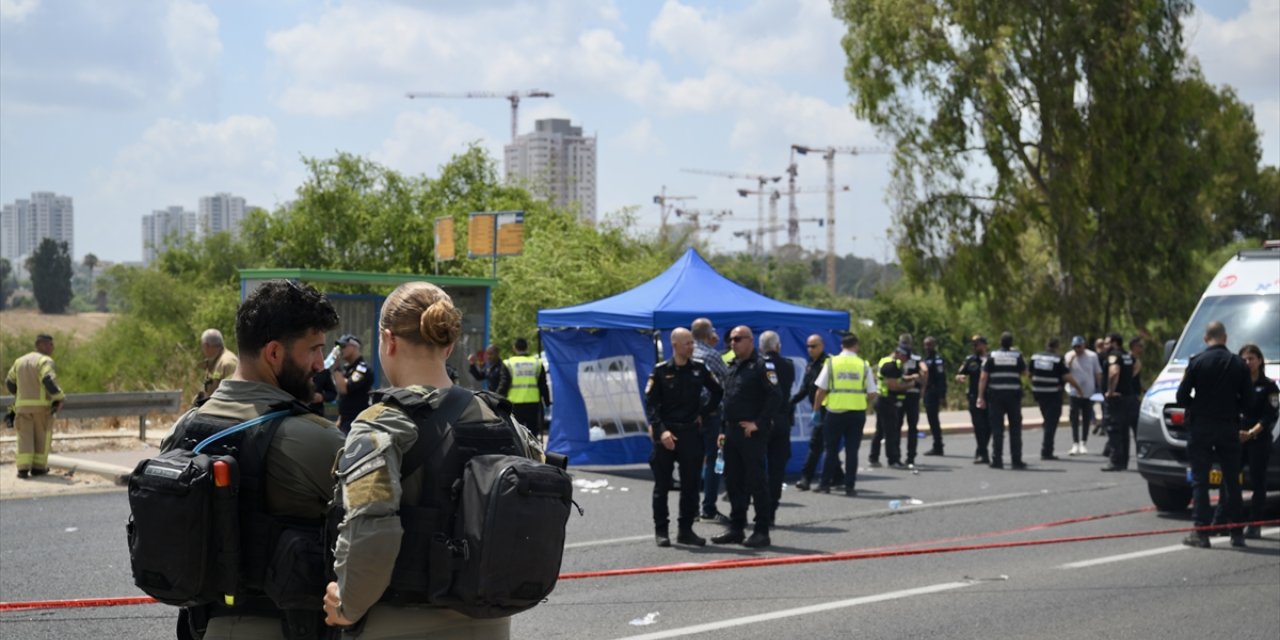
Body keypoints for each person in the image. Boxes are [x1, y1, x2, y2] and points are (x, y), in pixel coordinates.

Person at [323, 281, 517, 638]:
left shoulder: (380, 423)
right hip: (491, 624)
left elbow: (372, 532)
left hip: (401, 624)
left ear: (388, 340)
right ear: (451, 344)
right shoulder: (502, 418)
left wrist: (347, 605)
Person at [162, 280, 343, 639]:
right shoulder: (316, 439)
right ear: (274, 354)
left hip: (204, 627)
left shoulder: (183, 430)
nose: (321, 364)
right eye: (314, 350)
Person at [1176, 321, 1253, 548]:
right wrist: (1232, 408)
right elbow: (1249, 402)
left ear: (1205, 338)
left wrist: (1197, 407)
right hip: (1229, 427)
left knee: (1200, 481)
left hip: (1201, 427)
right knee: (1232, 480)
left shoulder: (1196, 362)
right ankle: (1237, 532)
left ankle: (1201, 532)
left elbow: (1181, 397)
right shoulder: (1239, 364)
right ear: (1225, 337)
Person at [644, 328, 723, 547]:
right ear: (675, 345)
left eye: (692, 343)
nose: (691, 347)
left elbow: (718, 392)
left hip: (690, 432)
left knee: (690, 485)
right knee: (662, 486)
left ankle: (685, 530)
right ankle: (661, 531)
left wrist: (703, 413)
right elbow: (651, 406)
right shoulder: (660, 372)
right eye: (687, 343)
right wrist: (661, 431)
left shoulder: (699, 369)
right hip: (667, 433)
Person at [711, 326, 782, 548]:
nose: (733, 343)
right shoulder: (732, 366)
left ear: (750, 341)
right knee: (734, 482)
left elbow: (775, 396)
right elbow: (727, 400)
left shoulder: (762, 365)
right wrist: (722, 430)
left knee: (756, 481)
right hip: (731, 431)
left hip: (750, 433)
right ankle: (736, 527)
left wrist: (758, 423)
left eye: (738, 339)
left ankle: (761, 530)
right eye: (731, 339)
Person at [812, 333, 877, 495]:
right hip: (856, 414)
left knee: (831, 449)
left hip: (835, 412)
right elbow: (872, 393)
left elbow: (820, 390)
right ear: (856, 346)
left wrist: (816, 411)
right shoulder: (863, 365)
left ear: (842, 346)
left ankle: (824, 484)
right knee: (852, 451)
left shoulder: (832, 363)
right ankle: (850, 486)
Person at [1231, 344, 1278, 539]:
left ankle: (1255, 523)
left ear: (1259, 360)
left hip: (1258, 439)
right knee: (1232, 480)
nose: (1248, 362)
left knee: (1258, 482)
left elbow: (1270, 416)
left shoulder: (1269, 386)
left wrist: (1250, 433)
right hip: (1237, 438)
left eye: (1251, 358)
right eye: (1244, 359)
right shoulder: (1235, 384)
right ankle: (1232, 522)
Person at [5, 334, 64, 478]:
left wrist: (20, 396)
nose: (52, 347)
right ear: (41, 345)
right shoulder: (45, 361)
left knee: (24, 438)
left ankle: (23, 469)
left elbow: (9, 382)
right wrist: (59, 397)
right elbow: (48, 380)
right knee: (41, 438)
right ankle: (38, 468)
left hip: (22, 408)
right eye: (50, 344)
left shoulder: (19, 361)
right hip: (41, 408)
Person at [691, 317, 730, 523]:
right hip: (713, 416)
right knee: (716, 460)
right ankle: (709, 506)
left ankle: (691, 508)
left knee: (692, 462)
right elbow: (726, 381)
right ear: (709, 335)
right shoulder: (712, 355)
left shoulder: (687, 353)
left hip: (690, 417)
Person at [792, 334, 840, 491]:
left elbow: (824, 389)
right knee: (827, 444)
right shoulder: (810, 364)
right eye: (808, 346)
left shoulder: (828, 363)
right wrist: (790, 403)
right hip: (818, 409)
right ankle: (839, 476)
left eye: (814, 346)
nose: (810, 349)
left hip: (827, 409)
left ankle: (806, 478)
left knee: (816, 444)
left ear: (822, 346)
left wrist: (817, 410)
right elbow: (806, 388)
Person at [978, 331, 1028, 469]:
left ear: (1000, 342)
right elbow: (1025, 373)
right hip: (1013, 396)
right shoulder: (1017, 356)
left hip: (996, 396)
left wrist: (980, 396)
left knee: (997, 430)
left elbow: (983, 378)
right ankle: (1016, 460)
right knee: (1015, 429)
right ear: (1011, 343)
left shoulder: (992, 356)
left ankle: (997, 460)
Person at [758, 331, 795, 521]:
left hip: (761, 421)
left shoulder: (758, 365)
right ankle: (771, 509)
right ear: (778, 346)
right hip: (781, 419)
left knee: (757, 466)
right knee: (777, 468)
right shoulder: (788, 365)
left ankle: (760, 509)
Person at [1029, 338, 1082, 460]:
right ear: (1056, 347)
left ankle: (1047, 446)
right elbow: (1067, 376)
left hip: (1038, 393)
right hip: (1052, 394)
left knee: (1047, 419)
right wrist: (1078, 388)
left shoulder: (1035, 357)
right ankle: (1046, 451)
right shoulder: (1057, 359)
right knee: (1051, 422)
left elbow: (1030, 373)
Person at [1100, 333, 1140, 472]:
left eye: (1107, 343)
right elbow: (1137, 366)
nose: (1105, 346)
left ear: (1114, 343)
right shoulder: (1127, 356)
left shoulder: (1114, 356)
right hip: (1129, 397)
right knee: (1124, 431)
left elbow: (1114, 371)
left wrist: (1111, 390)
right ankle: (1123, 461)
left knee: (1114, 430)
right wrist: (1127, 379)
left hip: (1116, 399)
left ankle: (1116, 461)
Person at [870, 344, 914, 469]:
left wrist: (908, 378)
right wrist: (910, 385)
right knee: (891, 431)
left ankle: (873, 457)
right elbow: (893, 385)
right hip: (886, 400)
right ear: (899, 354)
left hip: (881, 399)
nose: (905, 361)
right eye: (905, 358)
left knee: (880, 430)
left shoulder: (886, 361)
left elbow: (895, 378)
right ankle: (893, 460)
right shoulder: (891, 365)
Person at [505, 337, 551, 438]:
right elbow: (543, 385)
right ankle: (533, 453)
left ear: (514, 348)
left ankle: (519, 453)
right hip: (533, 403)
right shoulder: (537, 363)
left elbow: (504, 385)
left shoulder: (509, 363)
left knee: (516, 433)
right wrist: (547, 402)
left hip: (514, 404)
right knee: (532, 433)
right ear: (527, 347)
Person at [1064, 335, 1102, 455]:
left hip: (1088, 391)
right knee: (1074, 418)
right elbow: (1065, 371)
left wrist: (1099, 387)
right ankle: (1075, 443)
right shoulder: (1069, 355)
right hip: (1074, 391)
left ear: (1084, 345)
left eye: (1079, 347)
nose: (1077, 349)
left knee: (1087, 417)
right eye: (1075, 347)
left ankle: (1083, 442)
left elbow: (1097, 372)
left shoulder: (1092, 356)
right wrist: (1071, 360)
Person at [956, 335, 990, 464]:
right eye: (973, 344)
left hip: (990, 396)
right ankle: (983, 453)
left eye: (977, 344)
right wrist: (960, 378)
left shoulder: (992, 359)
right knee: (978, 425)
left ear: (984, 345)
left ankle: (981, 449)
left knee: (989, 426)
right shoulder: (970, 360)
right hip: (974, 396)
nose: (975, 347)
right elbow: (960, 373)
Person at [895, 333, 928, 466]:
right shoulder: (917, 357)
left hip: (899, 392)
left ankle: (896, 457)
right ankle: (911, 457)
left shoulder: (896, 356)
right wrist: (922, 388)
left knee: (897, 426)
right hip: (913, 394)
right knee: (912, 427)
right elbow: (925, 371)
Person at [331, 334, 373, 434]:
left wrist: (336, 366)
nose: (341, 350)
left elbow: (344, 389)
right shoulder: (347, 368)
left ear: (354, 347)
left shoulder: (362, 368)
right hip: (345, 421)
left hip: (357, 422)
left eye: (344, 346)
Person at [196, 329, 238, 404]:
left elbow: (233, 394)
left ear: (206, 345)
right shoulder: (214, 361)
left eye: (202, 345)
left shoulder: (228, 363)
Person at [921, 336, 946, 456]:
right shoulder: (925, 359)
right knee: (931, 420)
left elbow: (942, 379)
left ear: (934, 345)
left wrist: (942, 396)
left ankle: (938, 445)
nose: (927, 347)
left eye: (929, 344)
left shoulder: (937, 360)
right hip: (927, 393)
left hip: (934, 392)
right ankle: (937, 444)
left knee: (934, 419)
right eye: (925, 345)